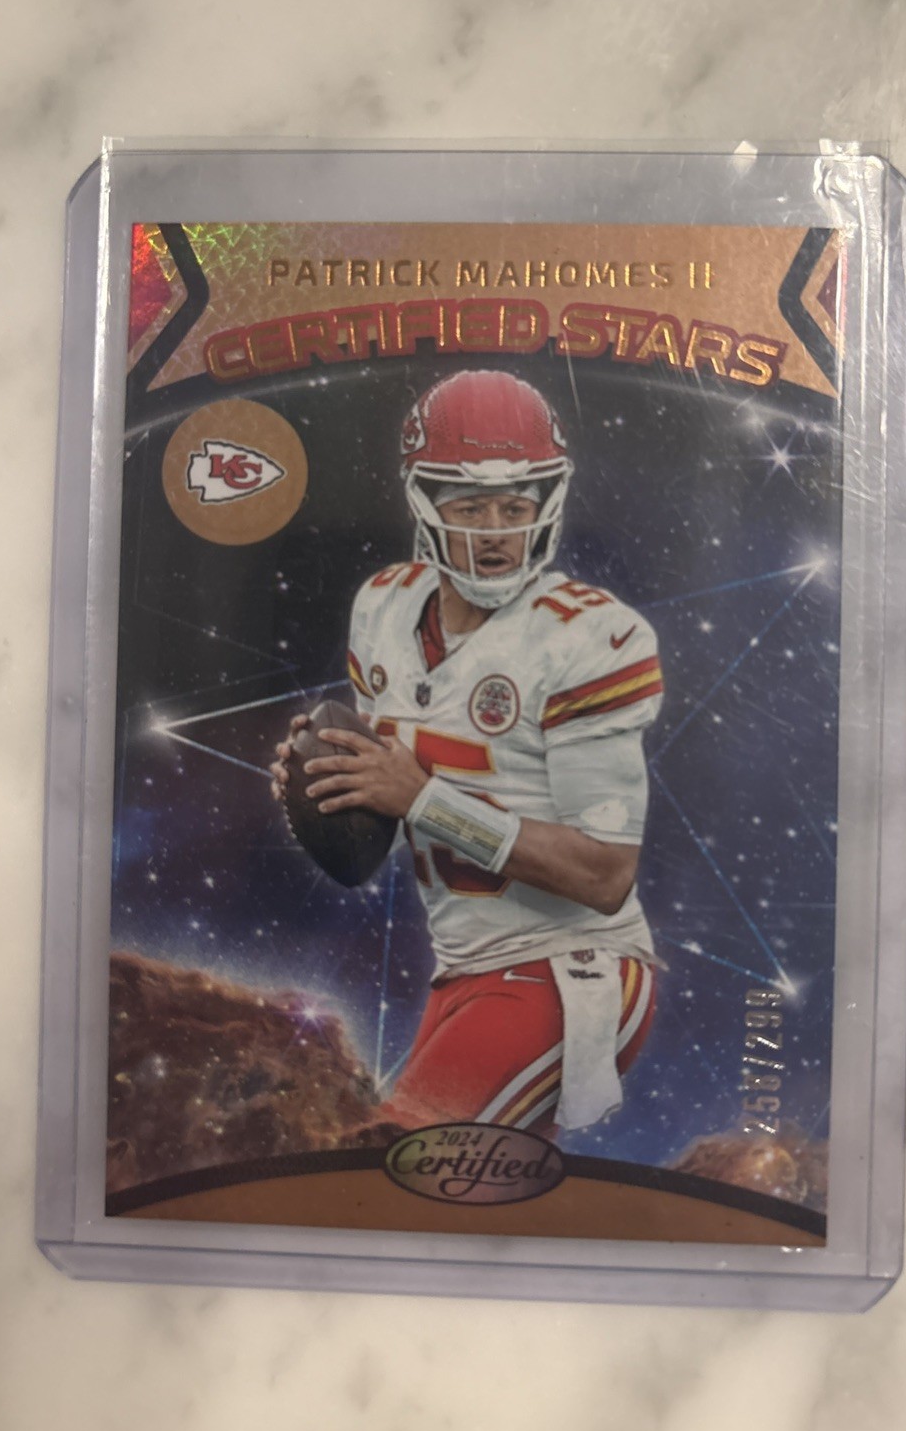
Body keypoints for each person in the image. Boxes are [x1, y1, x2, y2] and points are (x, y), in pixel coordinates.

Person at [270, 369, 662, 1134]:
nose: (496, 531)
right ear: (425, 505)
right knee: (436, 1189)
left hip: (571, 967)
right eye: (470, 506)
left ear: (545, 505)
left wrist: (422, 798)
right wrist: (330, 780)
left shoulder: (592, 638)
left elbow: (604, 875)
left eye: (515, 507)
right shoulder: (383, 608)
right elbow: (379, 830)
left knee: (391, 1164)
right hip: (466, 973)